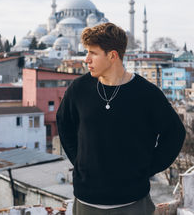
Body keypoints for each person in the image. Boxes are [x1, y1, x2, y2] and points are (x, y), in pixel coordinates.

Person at [56, 22, 186, 215]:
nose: (86, 59)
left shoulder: (146, 94)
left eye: (93, 53)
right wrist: (81, 162)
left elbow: (175, 133)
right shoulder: (79, 89)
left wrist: (146, 168)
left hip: (133, 204)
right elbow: (64, 125)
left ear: (112, 56)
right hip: (86, 203)